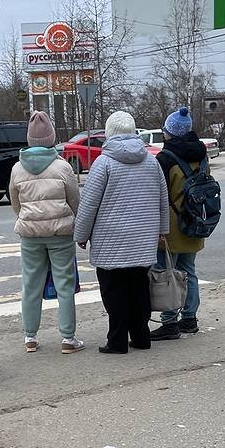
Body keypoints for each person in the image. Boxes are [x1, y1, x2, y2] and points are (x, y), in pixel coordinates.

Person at [74, 111, 169, 354]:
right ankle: (141, 337)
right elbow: (162, 199)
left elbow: (89, 204)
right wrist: (162, 230)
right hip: (143, 239)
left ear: (109, 133)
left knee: (113, 292)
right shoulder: (151, 161)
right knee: (139, 288)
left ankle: (117, 341)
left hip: (110, 240)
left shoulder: (103, 163)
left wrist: (81, 235)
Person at [9, 111, 85, 354]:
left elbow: (15, 202)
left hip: (30, 234)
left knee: (31, 284)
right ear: (52, 137)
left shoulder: (17, 169)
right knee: (64, 283)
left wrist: (27, 218)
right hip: (60, 234)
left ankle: (30, 337)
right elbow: (75, 200)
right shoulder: (62, 167)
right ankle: (68, 338)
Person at [150, 106, 207, 341]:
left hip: (171, 226)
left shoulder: (165, 159)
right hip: (195, 220)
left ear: (170, 132)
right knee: (189, 271)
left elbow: (158, 195)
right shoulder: (201, 154)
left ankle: (169, 321)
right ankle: (190, 318)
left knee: (168, 273)